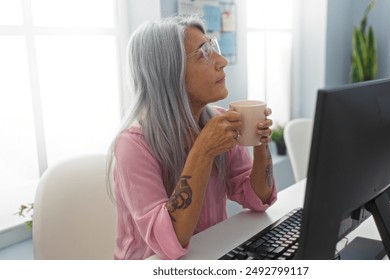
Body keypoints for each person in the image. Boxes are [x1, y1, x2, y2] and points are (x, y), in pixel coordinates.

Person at [106, 15, 277, 260]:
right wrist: (203, 150)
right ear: (169, 73)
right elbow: (169, 241)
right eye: (203, 53)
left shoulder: (216, 121)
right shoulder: (133, 145)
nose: (222, 61)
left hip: (210, 256)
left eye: (213, 48)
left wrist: (261, 143)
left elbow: (258, 198)